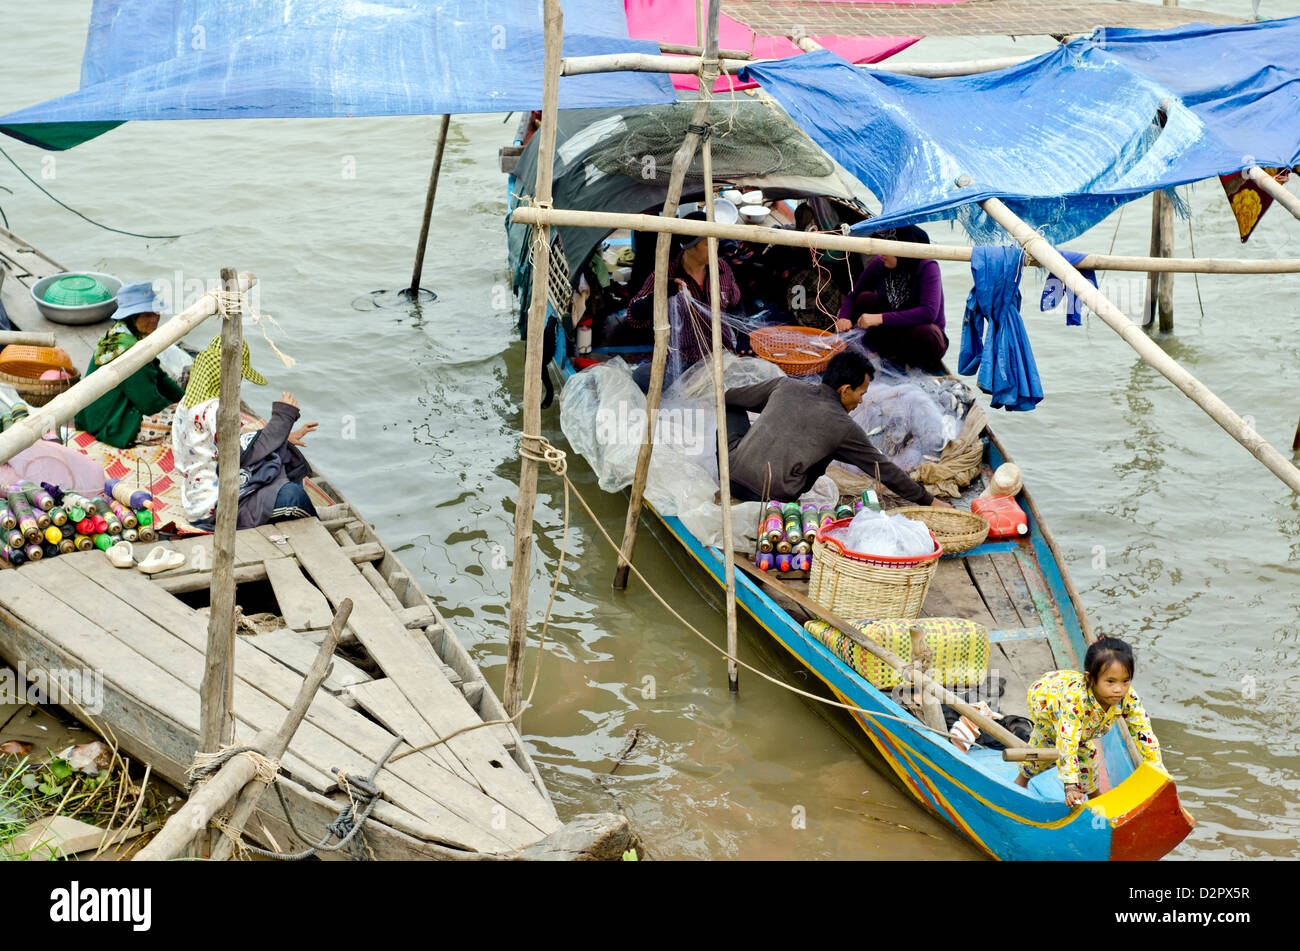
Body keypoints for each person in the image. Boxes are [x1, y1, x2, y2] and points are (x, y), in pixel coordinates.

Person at [720, 349, 953, 508]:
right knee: (831, 448)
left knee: (730, 406)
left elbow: (728, 397)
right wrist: (930, 501)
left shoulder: (785, 385)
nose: (861, 401)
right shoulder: (844, 427)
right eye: (860, 393)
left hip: (729, 476)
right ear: (844, 390)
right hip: (772, 497)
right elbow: (885, 470)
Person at [172, 335, 318, 529]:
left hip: (196, 500)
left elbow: (227, 444)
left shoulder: (186, 403)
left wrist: (283, 437)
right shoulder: (217, 410)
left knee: (279, 455)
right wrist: (282, 418)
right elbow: (240, 457)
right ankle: (317, 523)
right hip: (217, 507)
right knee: (293, 496)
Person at [1013, 636, 1164, 806]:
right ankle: (1021, 782)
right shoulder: (1077, 701)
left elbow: (1143, 731)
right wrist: (1070, 786)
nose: (1118, 689)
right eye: (1110, 681)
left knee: (1087, 755)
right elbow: (1067, 743)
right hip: (1048, 705)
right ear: (1091, 679)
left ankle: (1094, 796)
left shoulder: (1127, 698)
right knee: (1044, 747)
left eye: (1125, 681)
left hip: (1083, 727)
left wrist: (1157, 770)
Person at [626, 211, 741, 392]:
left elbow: (735, 304)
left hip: (721, 358)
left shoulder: (722, 269)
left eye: (717, 240)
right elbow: (633, 316)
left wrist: (743, 339)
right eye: (707, 243)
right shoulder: (665, 275)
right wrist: (660, 294)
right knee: (641, 377)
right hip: (683, 364)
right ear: (690, 247)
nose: (715, 246)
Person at [74, 281, 185, 447]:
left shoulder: (121, 333)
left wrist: (184, 398)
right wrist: (182, 409)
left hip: (93, 414)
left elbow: (159, 376)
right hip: (109, 422)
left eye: (156, 312)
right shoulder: (131, 351)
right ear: (132, 317)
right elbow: (149, 403)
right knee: (186, 423)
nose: (155, 318)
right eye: (147, 315)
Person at [835, 225, 948, 367]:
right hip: (892, 330)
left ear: (903, 251)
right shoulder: (879, 262)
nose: (882, 254)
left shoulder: (927, 267)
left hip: (918, 337)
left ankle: (907, 361)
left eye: (887, 249)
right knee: (865, 299)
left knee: (927, 334)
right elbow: (853, 296)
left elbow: (928, 313)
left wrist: (879, 318)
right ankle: (882, 353)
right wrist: (843, 318)